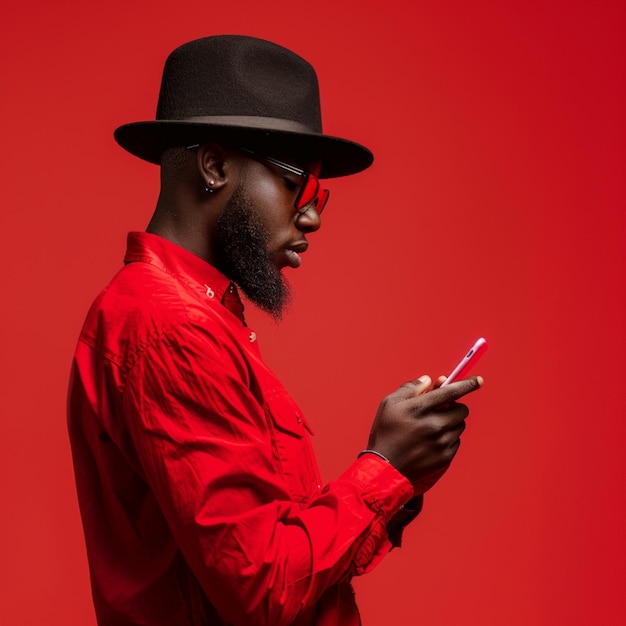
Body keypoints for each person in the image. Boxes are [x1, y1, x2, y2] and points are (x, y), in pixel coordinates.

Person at [67, 35, 483, 626]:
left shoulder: (197, 317)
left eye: (319, 195)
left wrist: (399, 478)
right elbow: (263, 589)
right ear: (215, 167)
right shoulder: (173, 328)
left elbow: (277, 548)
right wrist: (384, 465)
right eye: (297, 187)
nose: (311, 216)